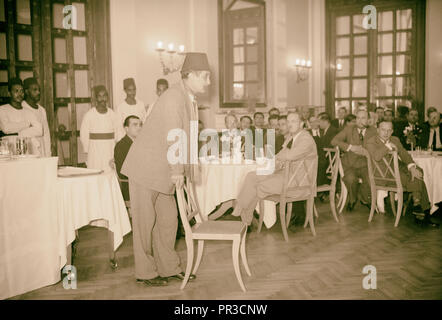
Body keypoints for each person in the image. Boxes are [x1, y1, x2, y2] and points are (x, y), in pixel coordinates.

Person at [121, 52, 211, 286]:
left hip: (164, 170)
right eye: (205, 77)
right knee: (144, 224)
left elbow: (188, 137)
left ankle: (168, 267)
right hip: (146, 168)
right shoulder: (174, 97)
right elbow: (174, 136)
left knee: (169, 221)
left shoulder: (189, 98)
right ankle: (145, 272)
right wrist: (177, 171)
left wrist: (189, 168)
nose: (208, 82)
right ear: (189, 75)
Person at [231, 112, 317, 227]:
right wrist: (274, 163)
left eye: (294, 121)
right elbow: (281, 155)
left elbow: (289, 156)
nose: (290, 124)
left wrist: (277, 158)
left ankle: (245, 217)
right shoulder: (292, 137)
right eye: (288, 121)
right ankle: (242, 211)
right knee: (251, 176)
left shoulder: (305, 138)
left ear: (301, 124)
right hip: (286, 174)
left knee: (259, 185)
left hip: (298, 182)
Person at [365, 121, 437, 227]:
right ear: (378, 130)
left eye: (389, 130)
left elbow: (404, 154)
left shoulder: (395, 139)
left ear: (392, 131)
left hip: (397, 172)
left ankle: (418, 205)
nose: (386, 133)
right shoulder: (371, 141)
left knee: (417, 171)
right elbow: (376, 156)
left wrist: (411, 166)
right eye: (383, 129)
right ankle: (421, 210)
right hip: (383, 177)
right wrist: (388, 146)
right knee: (417, 179)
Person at [331, 110, 377, 211]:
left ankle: (366, 200)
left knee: (370, 180)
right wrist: (350, 147)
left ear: (368, 120)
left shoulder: (373, 131)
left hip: (366, 164)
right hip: (350, 164)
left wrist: (367, 152)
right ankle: (352, 199)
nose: (360, 121)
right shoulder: (348, 129)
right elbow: (334, 141)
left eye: (363, 118)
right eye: (358, 118)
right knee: (351, 180)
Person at [80, 85, 123, 172]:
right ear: (96, 98)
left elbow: (119, 132)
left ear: (107, 97)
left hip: (109, 149)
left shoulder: (112, 114)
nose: (102, 99)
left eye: (104, 96)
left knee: (109, 172)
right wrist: (88, 150)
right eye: (100, 96)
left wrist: (117, 149)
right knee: (95, 172)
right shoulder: (89, 115)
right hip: (94, 150)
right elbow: (84, 134)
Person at [0, 78, 43, 154]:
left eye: (21, 91)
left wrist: (18, 134)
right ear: (9, 93)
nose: (20, 94)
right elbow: (6, 128)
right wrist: (27, 124)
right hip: (9, 150)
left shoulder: (28, 112)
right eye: (16, 91)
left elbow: (39, 130)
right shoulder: (3, 109)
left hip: (27, 150)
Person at [114, 115, 142, 201]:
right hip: (130, 187)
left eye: (140, 125)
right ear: (126, 129)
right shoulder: (121, 146)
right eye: (135, 125)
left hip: (142, 185)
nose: (139, 127)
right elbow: (122, 173)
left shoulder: (142, 144)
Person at [21, 77, 51, 157]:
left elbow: (46, 134)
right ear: (27, 91)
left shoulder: (41, 110)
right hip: (29, 150)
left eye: (39, 90)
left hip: (42, 150)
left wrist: (48, 153)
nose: (38, 92)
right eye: (34, 90)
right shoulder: (22, 108)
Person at [316, 112, 339, 186]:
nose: (318, 124)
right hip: (326, 159)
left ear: (325, 121)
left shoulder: (334, 131)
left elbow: (329, 148)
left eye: (319, 121)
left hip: (330, 161)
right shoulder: (324, 131)